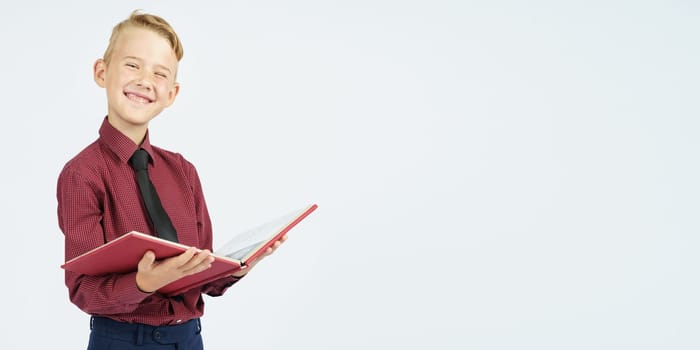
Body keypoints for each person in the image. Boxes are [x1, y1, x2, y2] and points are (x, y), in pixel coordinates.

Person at [56, 10, 284, 349]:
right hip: (120, 340)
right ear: (101, 72)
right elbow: (83, 290)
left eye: (159, 73)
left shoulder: (184, 171)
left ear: (171, 94)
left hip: (187, 337)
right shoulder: (82, 174)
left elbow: (202, 270)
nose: (145, 80)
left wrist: (237, 268)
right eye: (132, 65)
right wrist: (143, 283)